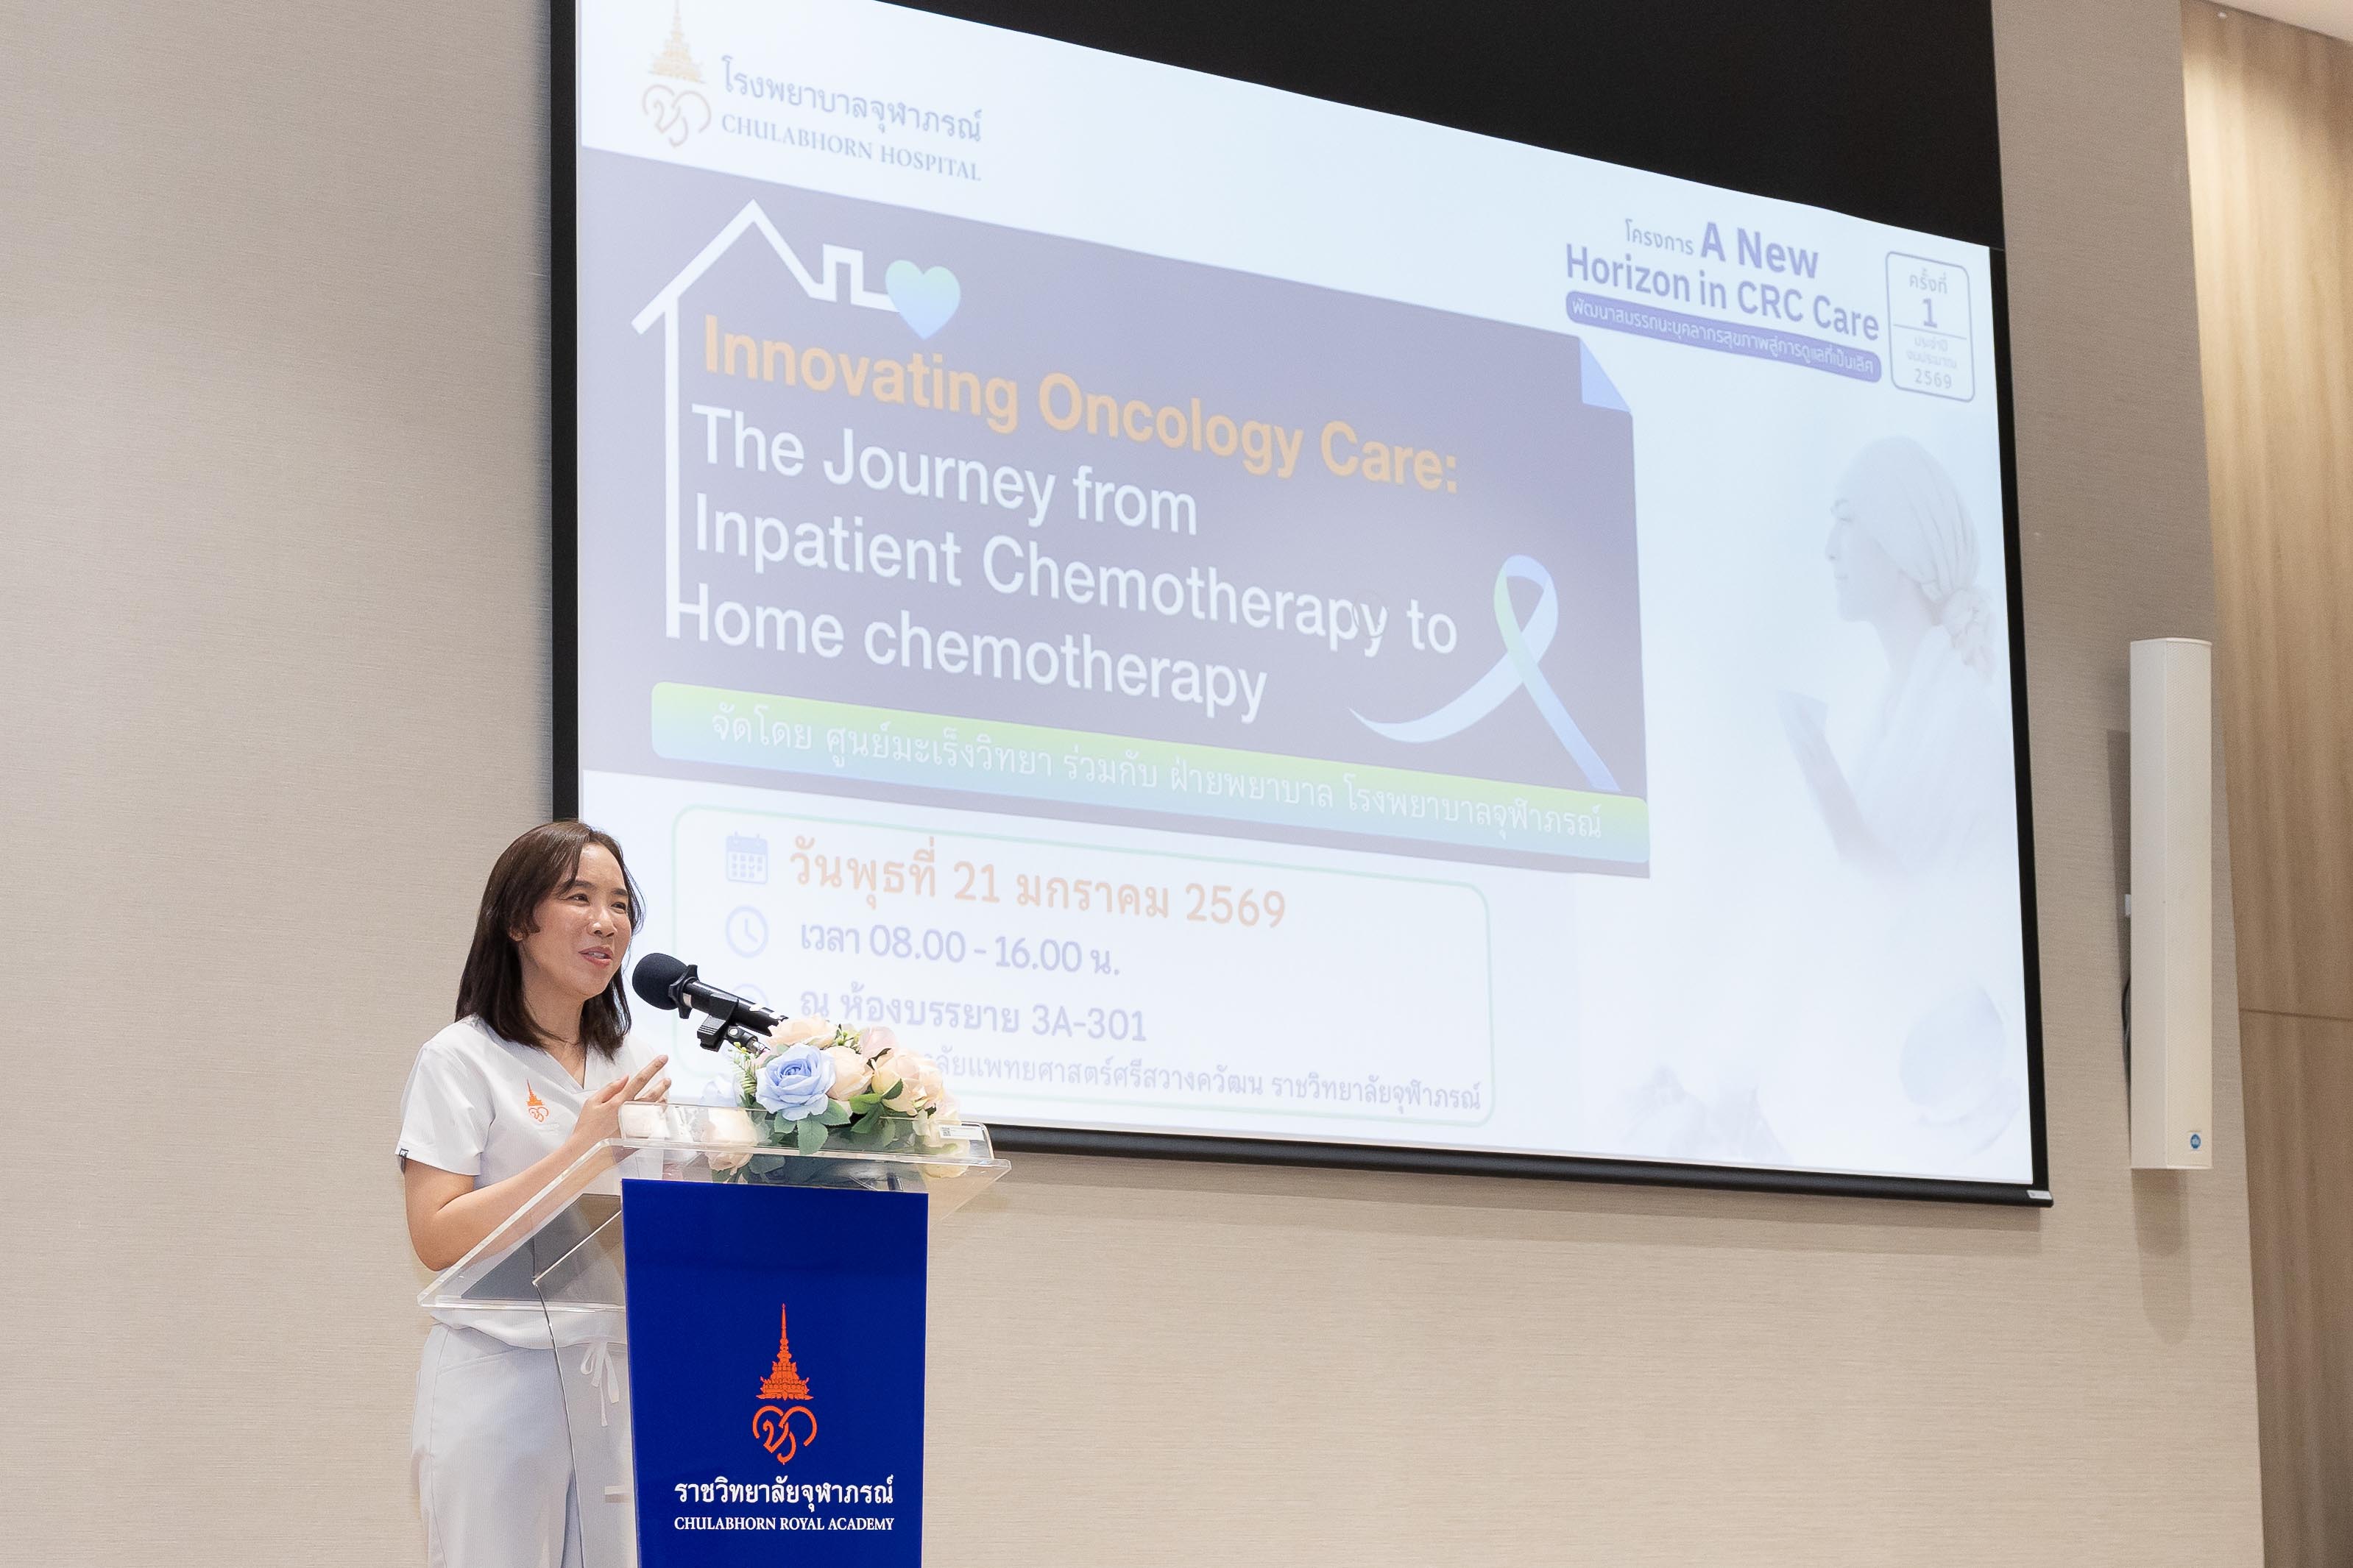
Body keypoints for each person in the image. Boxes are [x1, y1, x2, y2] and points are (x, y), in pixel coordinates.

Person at [397, 821, 671, 1568]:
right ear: (519, 919)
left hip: (618, 1380)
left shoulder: (639, 1064)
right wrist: (581, 1154)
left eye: (620, 903)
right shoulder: (462, 1058)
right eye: (579, 897)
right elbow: (436, 1236)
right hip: (499, 1376)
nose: (606, 921)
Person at [1781, 436, 2014, 876]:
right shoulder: (1891, 712)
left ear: (1903, 543)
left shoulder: (1966, 724)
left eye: (1846, 519)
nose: (1829, 548)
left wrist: (1843, 819)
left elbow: (1955, 907)